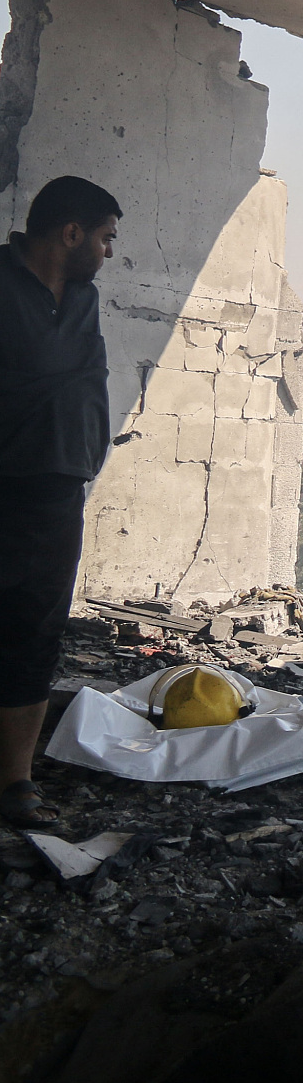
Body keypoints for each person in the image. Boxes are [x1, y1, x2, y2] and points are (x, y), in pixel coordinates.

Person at [0, 177, 121, 826]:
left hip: (57, 496)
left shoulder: (84, 301)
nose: (108, 253)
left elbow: (84, 379)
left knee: (35, 635)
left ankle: (15, 783)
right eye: (104, 238)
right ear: (71, 233)